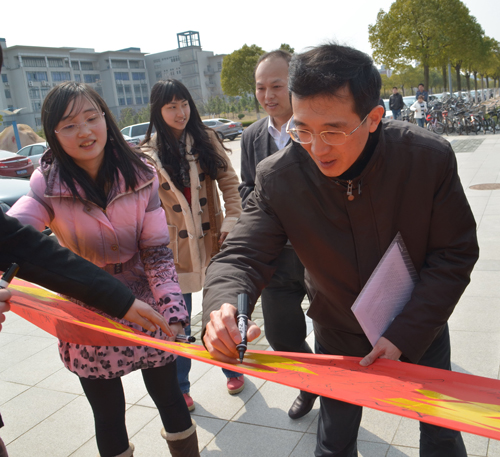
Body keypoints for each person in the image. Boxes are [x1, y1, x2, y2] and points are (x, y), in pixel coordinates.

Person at [201, 43, 478, 457]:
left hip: (419, 322)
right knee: (333, 443)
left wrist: (406, 333)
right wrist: (223, 307)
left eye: (332, 131)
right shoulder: (279, 177)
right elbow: (242, 254)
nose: (316, 148)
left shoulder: (426, 158)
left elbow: (454, 253)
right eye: (302, 130)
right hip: (337, 329)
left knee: (441, 436)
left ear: (373, 118)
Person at [7, 82, 200, 457]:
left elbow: (157, 253)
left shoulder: (141, 174)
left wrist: (174, 311)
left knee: (170, 398)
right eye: (69, 125)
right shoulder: (47, 184)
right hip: (88, 311)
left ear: (106, 119)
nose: (84, 132)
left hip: (146, 305)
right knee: (109, 415)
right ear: (54, 134)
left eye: (91, 118)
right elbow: (13, 235)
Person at [141, 79, 243, 411]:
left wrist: (232, 220)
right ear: (158, 111)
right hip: (174, 250)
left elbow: (230, 184)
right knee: (177, 320)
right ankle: (181, 387)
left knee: (221, 311)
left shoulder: (205, 139)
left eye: (184, 104)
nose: (180, 112)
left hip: (214, 240)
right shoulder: (147, 154)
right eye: (171, 106)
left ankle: (233, 367)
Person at [239, 50, 317, 420]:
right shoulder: (252, 136)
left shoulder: (317, 127)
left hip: (320, 254)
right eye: (260, 88)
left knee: (335, 334)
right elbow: (246, 187)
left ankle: (340, 401)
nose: (268, 95)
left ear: (294, 84)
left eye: (276, 86)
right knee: (282, 336)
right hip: (276, 258)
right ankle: (310, 384)